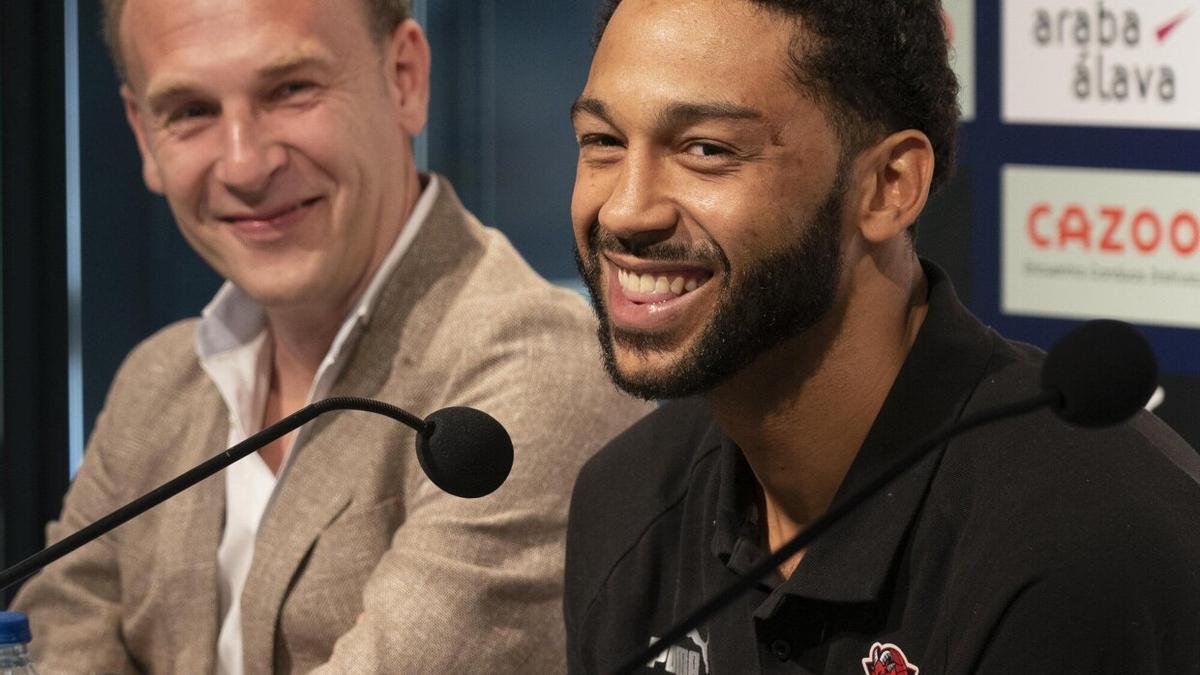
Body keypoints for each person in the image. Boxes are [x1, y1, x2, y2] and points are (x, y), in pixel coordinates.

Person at [10, 0, 651, 671]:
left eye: (291, 90)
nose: (244, 166)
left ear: (404, 77)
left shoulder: (535, 369)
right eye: (192, 112)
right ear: (144, 135)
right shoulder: (155, 382)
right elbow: (45, 642)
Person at [563, 0, 1200, 672]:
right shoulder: (626, 501)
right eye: (602, 142)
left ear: (889, 185)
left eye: (706, 149)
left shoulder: (1083, 542)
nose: (627, 210)